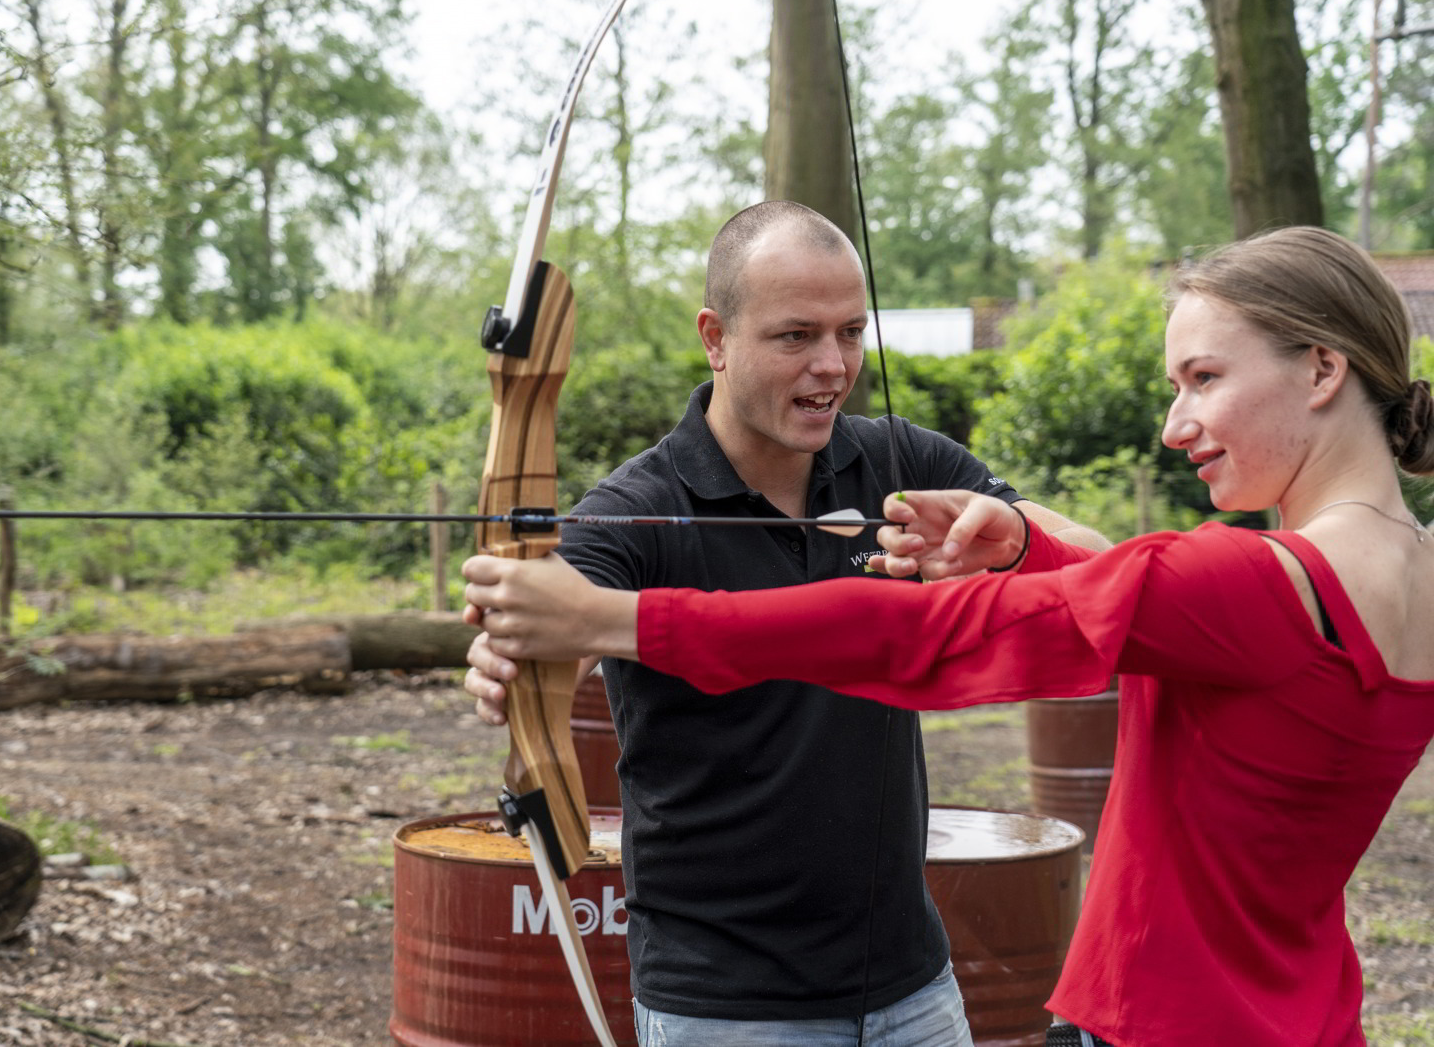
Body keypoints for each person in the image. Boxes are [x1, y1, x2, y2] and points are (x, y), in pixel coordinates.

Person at [464, 225, 1434, 1047]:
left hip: (1162, 1019)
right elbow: (1137, 586)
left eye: (1203, 377)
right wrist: (1022, 539)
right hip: (1310, 1017)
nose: (1175, 423)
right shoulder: (1409, 572)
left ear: (1320, 368)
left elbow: (917, 636)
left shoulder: (1250, 579)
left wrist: (613, 619)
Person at [464, 199, 1109, 1047]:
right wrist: (513, 641)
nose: (833, 366)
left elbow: (1103, 567)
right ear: (716, 336)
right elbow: (548, 630)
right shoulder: (641, 507)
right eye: (796, 336)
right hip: (726, 1007)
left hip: (913, 984)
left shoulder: (897, 461)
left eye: (850, 332)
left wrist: (1016, 537)